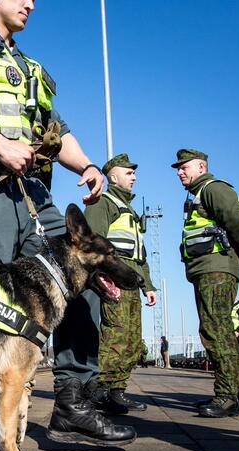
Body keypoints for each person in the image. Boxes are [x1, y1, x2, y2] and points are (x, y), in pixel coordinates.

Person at [0, 0, 133, 451]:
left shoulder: (30, 67)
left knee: (87, 272)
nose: (31, 4)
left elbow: (59, 133)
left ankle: (73, 401)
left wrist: (90, 165)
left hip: (35, 196)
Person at [172, 148, 239, 417]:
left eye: (185, 167)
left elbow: (236, 220)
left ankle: (228, 396)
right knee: (211, 328)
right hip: (205, 269)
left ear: (201, 167)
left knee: (217, 329)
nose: (180, 172)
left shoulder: (213, 189)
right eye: (178, 168)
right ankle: (228, 394)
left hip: (216, 268)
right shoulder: (197, 194)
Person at [83, 154, 157, 413]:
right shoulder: (103, 202)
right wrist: (101, 276)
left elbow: (140, 254)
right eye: (128, 173)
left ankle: (117, 391)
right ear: (113, 176)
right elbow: (92, 243)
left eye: (134, 173)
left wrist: (148, 285)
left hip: (131, 281)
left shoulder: (130, 211)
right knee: (115, 335)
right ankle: (101, 392)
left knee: (132, 339)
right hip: (114, 280)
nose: (134, 177)